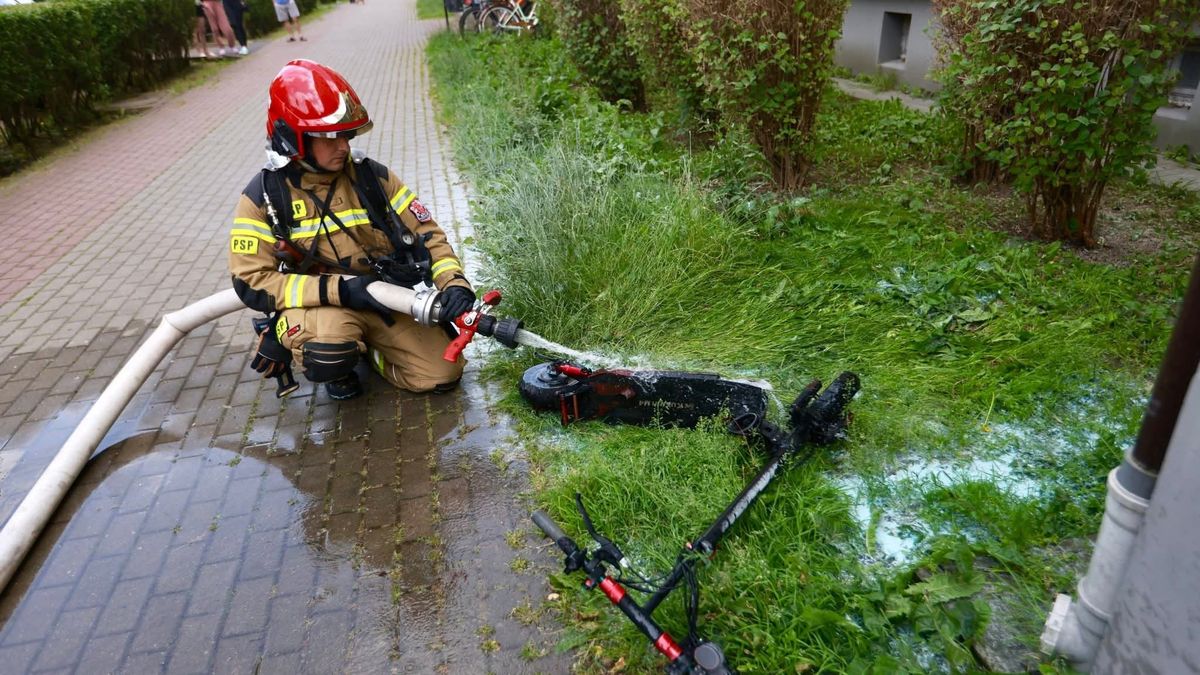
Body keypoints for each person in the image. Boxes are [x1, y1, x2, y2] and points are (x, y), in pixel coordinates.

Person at [228, 60, 475, 400]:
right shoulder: (265, 197)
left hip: (383, 296)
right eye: (329, 137)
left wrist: (455, 283)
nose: (343, 146)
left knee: (443, 373)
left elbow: (427, 232)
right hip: (322, 307)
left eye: (346, 135)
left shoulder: (371, 177)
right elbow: (250, 281)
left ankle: (370, 355)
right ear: (293, 139)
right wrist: (339, 291)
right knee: (328, 355)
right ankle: (324, 353)